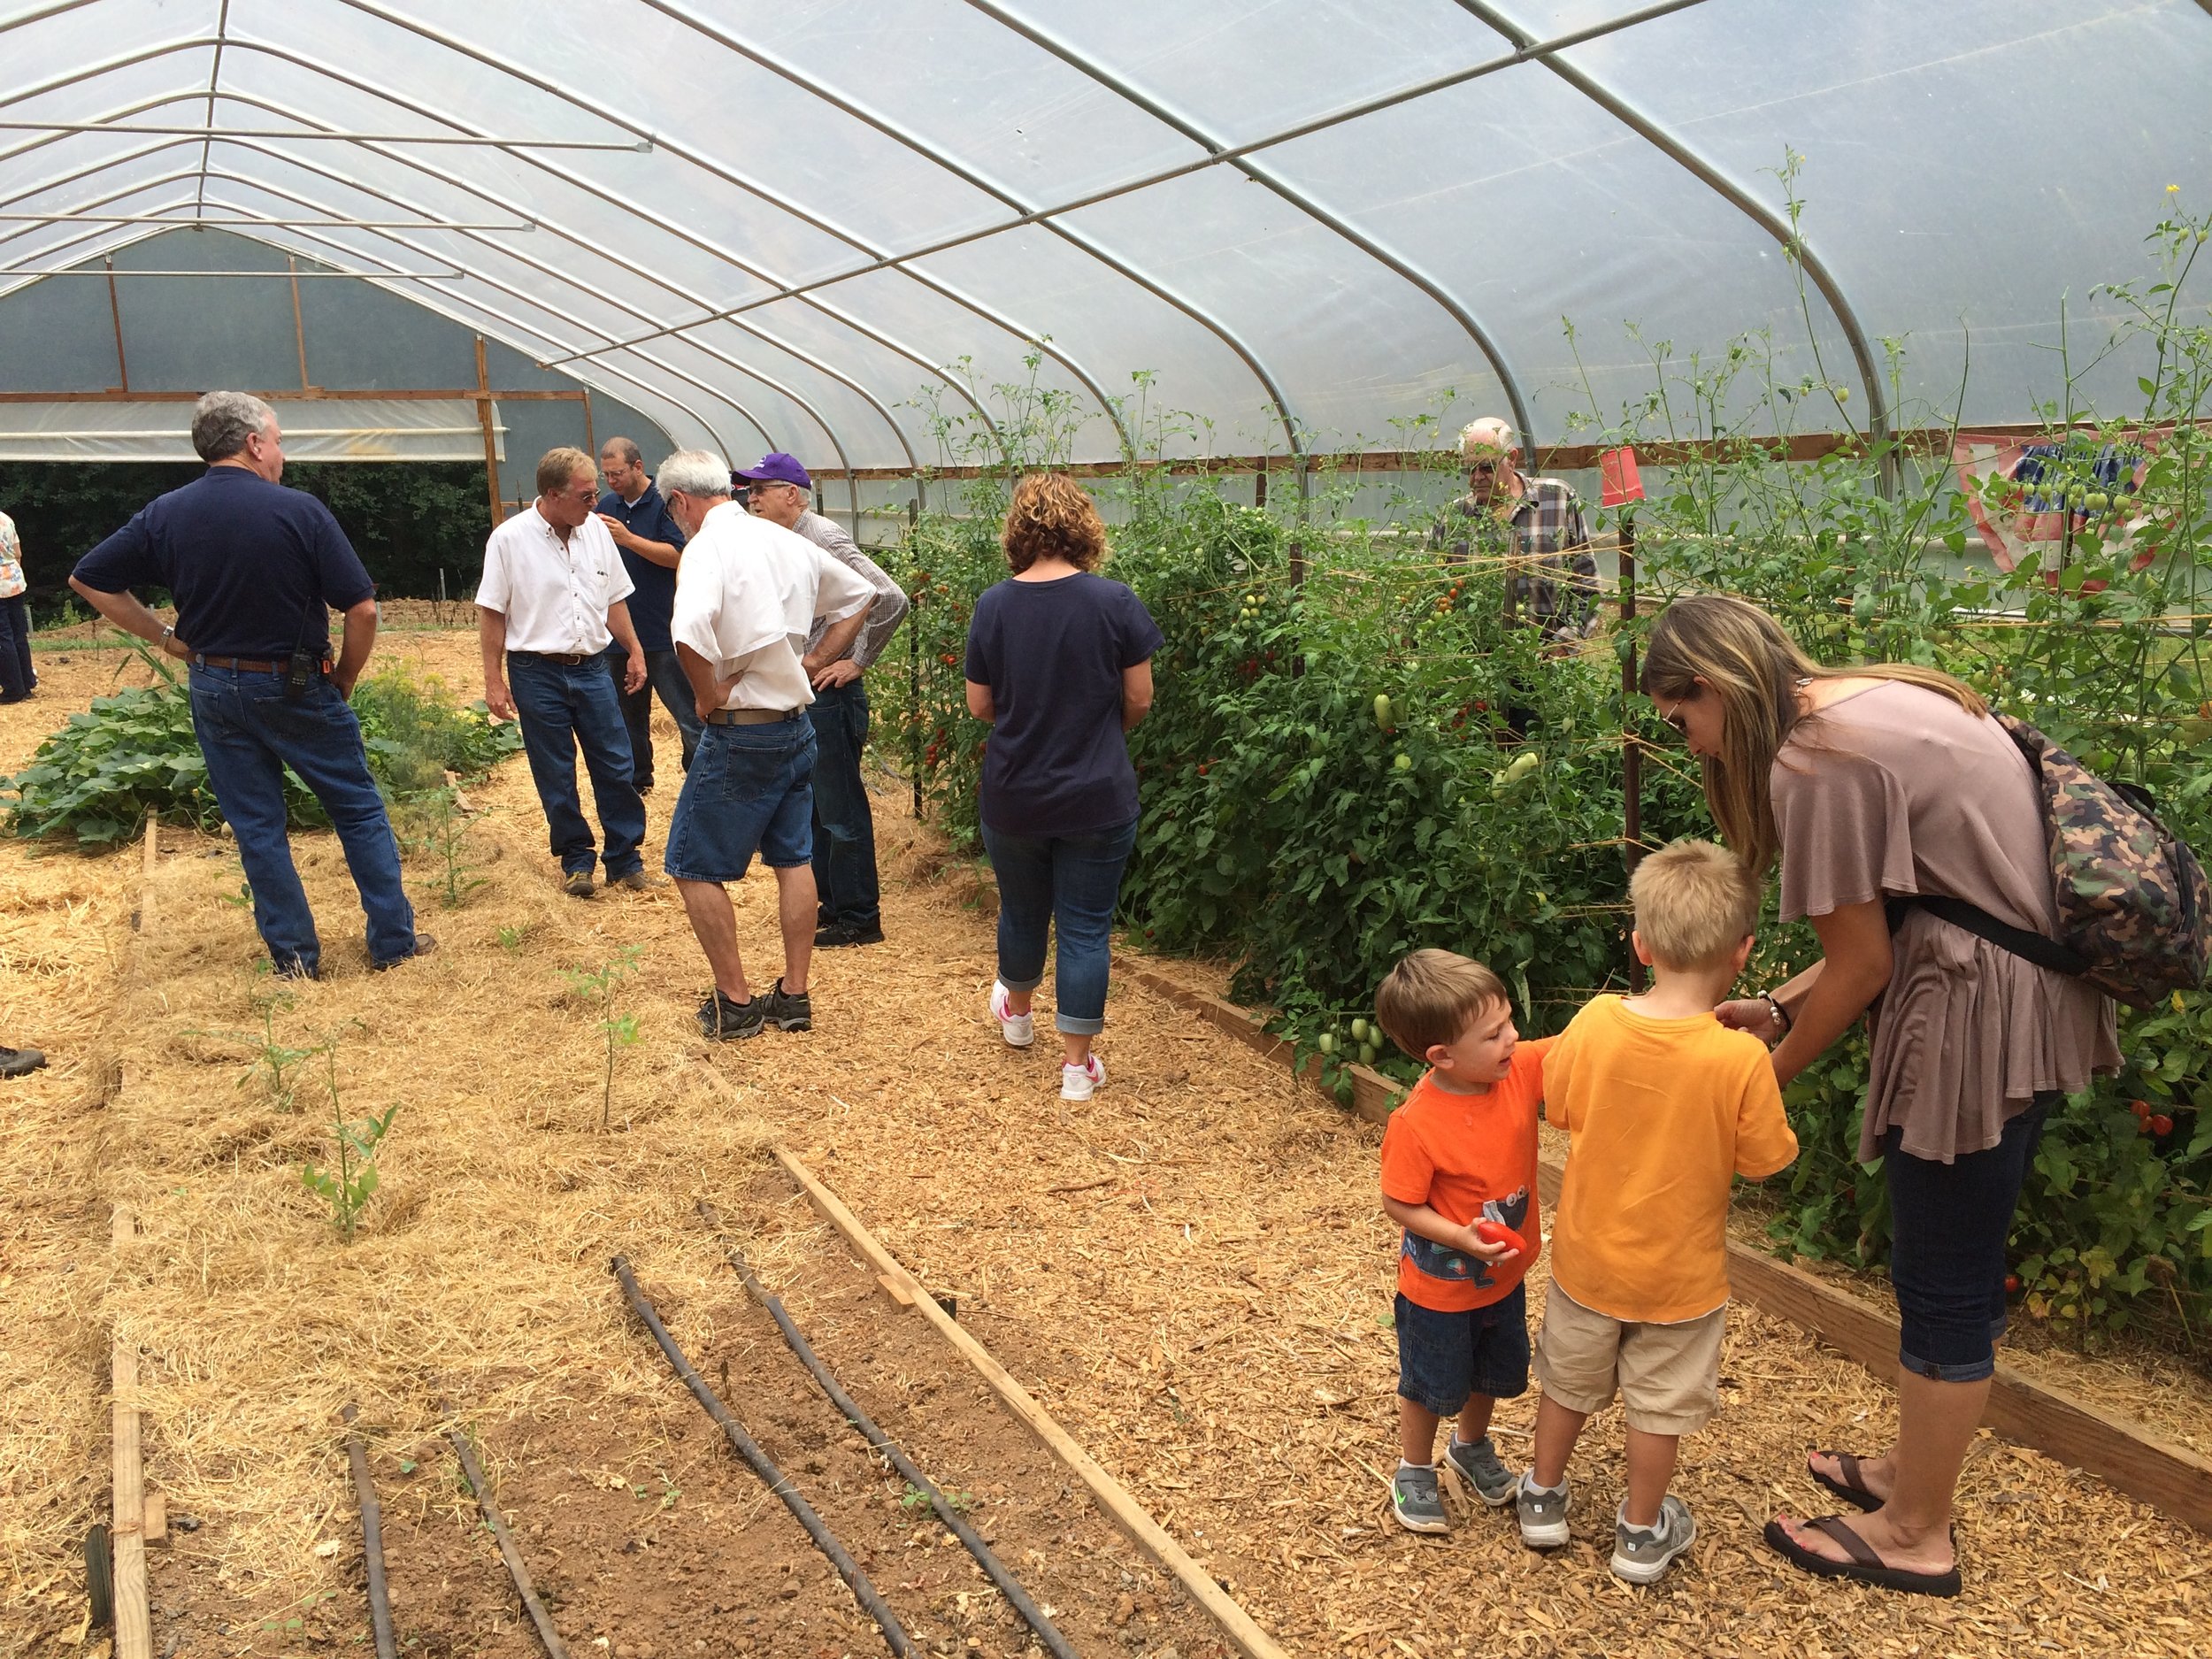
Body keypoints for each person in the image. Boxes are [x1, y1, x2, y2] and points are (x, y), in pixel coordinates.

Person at [1641, 593, 2117, 1598]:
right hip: (2023, 995)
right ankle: (1914, 1472)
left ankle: (1913, 1531)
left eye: (1682, 721)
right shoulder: (1871, 698)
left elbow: (1859, 964)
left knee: (1941, 1271)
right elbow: (1925, 899)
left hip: (1973, 1020)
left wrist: (1746, 1089)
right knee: (1958, 1251)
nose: (1692, 748)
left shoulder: (1813, 761)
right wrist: (1776, 1005)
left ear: (1714, 686)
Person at [69, 390, 431, 978]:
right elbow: (361, 610)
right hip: (295, 685)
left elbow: (88, 578)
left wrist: (167, 638)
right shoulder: (299, 511)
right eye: (279, 440)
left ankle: (294, 960)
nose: (281, 453)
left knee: (257, 826)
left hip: (214, 685)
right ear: (254, 443)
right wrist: (345, 677)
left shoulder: (166, 513)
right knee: (357, 809)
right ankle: (393, 943)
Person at [1518, 839, 1799, 1584]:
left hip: (1587, 1259)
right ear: (1742, 952)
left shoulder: (1596, 1021)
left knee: (1567, 1381)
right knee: (1659, 1406)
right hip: (1680, 1277)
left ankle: (1542, 1497)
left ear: (1639, 944)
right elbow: (1768, 1158)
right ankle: (1639, 1534)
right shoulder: (1738, 1058)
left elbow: (1560, 1104)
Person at [656, 450, 873, 1041]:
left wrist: (706, 694)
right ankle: (794, 995)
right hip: (797, 726)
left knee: (692, 864)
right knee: (794, 859)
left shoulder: (706, 547)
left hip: (744, 730)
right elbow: (860, 596)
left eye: (671, 510)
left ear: (680, 502)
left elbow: (687, 630)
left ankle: (736, 1003)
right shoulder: (783, 539)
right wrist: (816, 660)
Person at [966, 474, 1161, 1101]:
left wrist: (1030, 720)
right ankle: (1077, 1067)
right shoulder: (1116, 601)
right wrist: (1099, 732)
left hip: (1015, 790)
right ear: (1084, 526)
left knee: (1022, 909)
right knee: (1084, 927)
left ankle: (1017, 1018)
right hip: (1097, 792)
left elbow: (979, 705)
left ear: (1018, 531)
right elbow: (1139, 698)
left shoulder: (994, 605)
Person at [1371, 948, 1548, 1535]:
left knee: (1493, 1370)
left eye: (1509, 1023)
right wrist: (1460, 1237)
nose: (1513, 1038)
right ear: (1442, 1056)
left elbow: (1582, 1045)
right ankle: (1414, 1467)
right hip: (1439, 1290)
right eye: (1494, 1032)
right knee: (1429, 1382)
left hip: (1503, 1275)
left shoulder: (1515, 1070)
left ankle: (1470, 1446)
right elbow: (1398, 1200)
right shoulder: (1417, 1122)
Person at [737, 452, 909, 949]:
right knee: (816, 805)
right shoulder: (781, 539)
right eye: (748, 491)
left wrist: (855, 660)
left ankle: (860, 916)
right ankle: (834, 907)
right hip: (808, 691)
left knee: (839, 807)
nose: (752, 499)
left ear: (792, 493)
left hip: (832, 694)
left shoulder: (822, 537)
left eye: (761, 489)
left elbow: (888, 596)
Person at [477, 448, 650, 898]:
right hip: (536, 671)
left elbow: (614, 598)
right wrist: (493, 679)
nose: (595, 503)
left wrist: (634, 649)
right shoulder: (510, 540)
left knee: (615, 762)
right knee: (555, 770)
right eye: (586, 495)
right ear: (553, 495)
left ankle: (625, 858)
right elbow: (492, 612)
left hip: (593, 667)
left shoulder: (596, 532)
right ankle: (577, 860)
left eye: (595, 493)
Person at [594, 437, 701, 792]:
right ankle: (638, 781)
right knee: (627, 716)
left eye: (618, 473)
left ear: (638, 467)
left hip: (662, 632)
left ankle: (698, 774)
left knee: (686, 712)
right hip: (620, 635)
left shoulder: (664, 503)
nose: (612, 481)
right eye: (606, 474)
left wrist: (628, 539)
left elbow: (679, 555)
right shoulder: (606, 506)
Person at [1430, 417, 1597, 641]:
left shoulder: (1558, 500)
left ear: (1512, 458)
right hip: (1472, 665)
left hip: (1547, 665)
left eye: (1486, 467)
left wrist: (1564, 644)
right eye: (1469, 469)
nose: (1477, 477)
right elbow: (1431, 589)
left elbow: (1587, 584)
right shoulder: (1453, 518)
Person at [0, 507, 36, 702]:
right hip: (14, 581)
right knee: (18, 634)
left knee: (3, 637)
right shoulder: (6, 519)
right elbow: (18, 553)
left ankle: (13, 689)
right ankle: (27, 682)